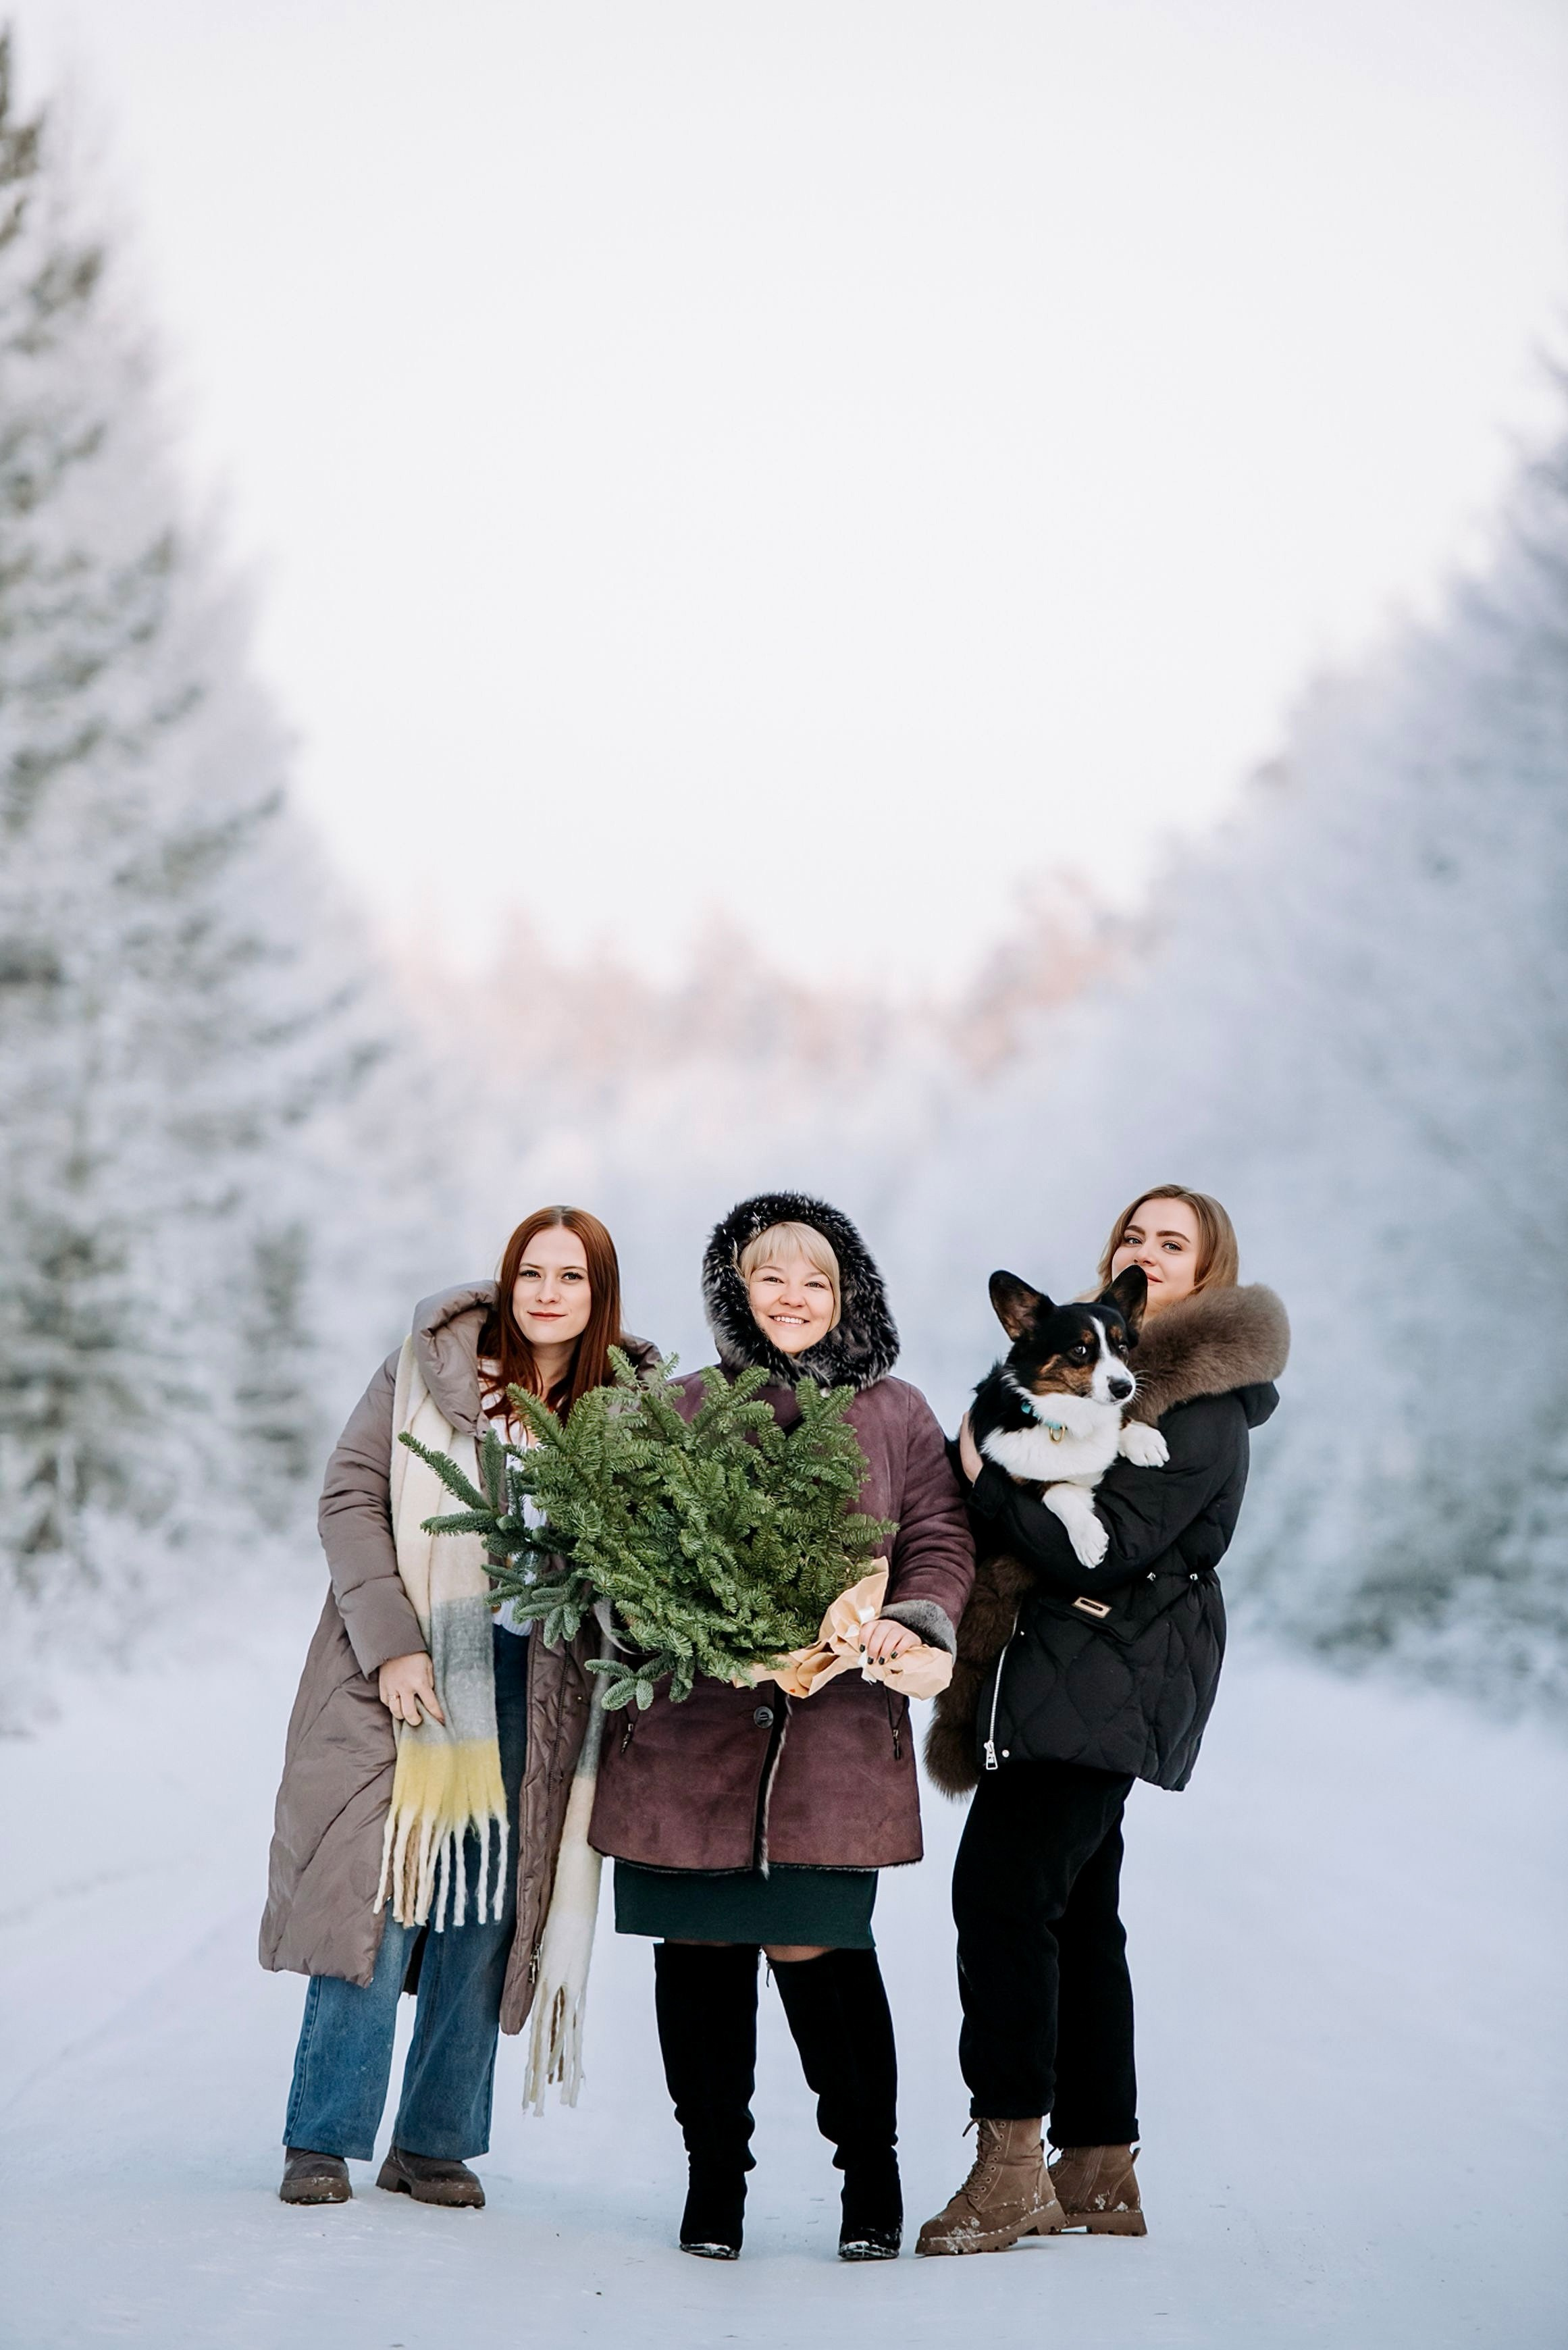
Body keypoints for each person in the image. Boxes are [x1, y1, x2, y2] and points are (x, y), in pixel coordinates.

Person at [587, 1192, 976, 2262]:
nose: (793, 1297)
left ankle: (871, 2181)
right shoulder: (684, 1403)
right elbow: (623, 1546)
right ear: (735, 1291)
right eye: (771, 1276)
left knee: (823, 1950)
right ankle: (713, 2183)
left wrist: (910, 1619)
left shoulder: (895, 1413)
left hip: (834, 1736)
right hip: (690, 1737)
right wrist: (663, 1611)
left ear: (847, 1297)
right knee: (701, 1951)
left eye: (817, 1280)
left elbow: (940, 1535)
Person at [916, 1185, 1289, 2255]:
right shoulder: (1093, 1369)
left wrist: (985, 1487)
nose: (1147, 1251)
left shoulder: (1203, 1399)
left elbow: (1109, 1545)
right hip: (1066, 1671)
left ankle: (1007, 2171)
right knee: (1076, 1917)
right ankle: (1096, 2171)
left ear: (1208, 1270)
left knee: (999, 1899)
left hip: (1106, 1674)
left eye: (1172, 1241)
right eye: (1134, 1235)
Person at [259, 1207, 656, 2208]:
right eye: (532, 1271)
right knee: (383, 1889)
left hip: (547, 1678)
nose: (548, 1292)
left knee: (489, 1905)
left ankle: (431, 2143)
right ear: (507, 1279)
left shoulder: (635, 1406)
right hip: (411, 1657)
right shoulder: (428, 1369)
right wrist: (391, 1644)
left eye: (571, 1275)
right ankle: (324, 2138)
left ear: (598, 1294)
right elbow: (350, 1498)